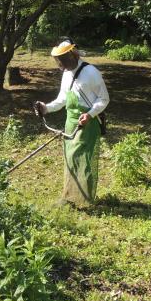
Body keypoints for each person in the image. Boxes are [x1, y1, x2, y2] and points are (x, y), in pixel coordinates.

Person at [34, 39, 109, 206]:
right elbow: (62, 99)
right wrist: (46, 108)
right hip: (71, 122)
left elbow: (104, 99)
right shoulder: (66, 73)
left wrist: (90, 115)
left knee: (81, 159)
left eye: (63, 59)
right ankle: (70, 197)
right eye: (58, 60)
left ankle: (85, 199)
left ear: (72, 55)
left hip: (88, 123)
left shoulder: (91, 72)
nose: (60, 63)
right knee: (70, 159)